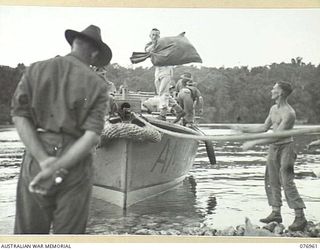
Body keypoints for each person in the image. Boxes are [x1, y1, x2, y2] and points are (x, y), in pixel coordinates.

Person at [10, 25, 112, 234]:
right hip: (74, 160)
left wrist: (45, 161)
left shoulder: (36, 69)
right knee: (69, 237)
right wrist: (58, 166)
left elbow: (19, 116)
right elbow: (92, 136)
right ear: (94, 52)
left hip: (37, 154)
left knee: (28, 237)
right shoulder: (97, 84)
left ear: (74, 43)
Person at [232, 81, 307, 231]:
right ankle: (276, 213)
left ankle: (300, 217)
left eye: (274, 88)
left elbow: (276, 136)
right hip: (273, 148)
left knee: (287, 182)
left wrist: (253, 143)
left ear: (280, 93)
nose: (271, 90)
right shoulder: (273, 108)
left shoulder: (289, 113)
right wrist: (243, 129)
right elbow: (264, 127)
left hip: (286, 147)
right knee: (272, 179)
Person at [145, 28, 185, 121]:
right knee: (161, 93)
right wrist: (155, 43)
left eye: (157, 35)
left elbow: (173, 47)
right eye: (153, 35)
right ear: (150, 36)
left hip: (166, 69)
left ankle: (163, 114)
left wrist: (178, 38)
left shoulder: (164, 44)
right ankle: (179, 110)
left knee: (163, 92)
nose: (155, 36)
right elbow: (148, 51)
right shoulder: (149, 45)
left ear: (159, 36)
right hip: (158, 70)